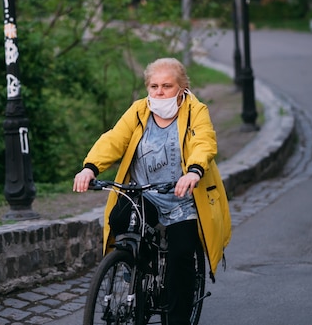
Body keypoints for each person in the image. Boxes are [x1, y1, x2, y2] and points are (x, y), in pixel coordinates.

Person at [73, 57, 232, 325]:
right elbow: (114, 139)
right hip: (145, 194)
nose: (159, 92)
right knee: (119, 219)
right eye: (154, 86)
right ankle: (136, 270)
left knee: (181, 255)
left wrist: (194, 171)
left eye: (167, 86)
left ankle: (178, 314)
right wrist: (90, 168)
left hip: (183, 199)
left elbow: (203, 141)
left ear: (182, 88)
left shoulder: (196, 111)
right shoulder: (138, 111)